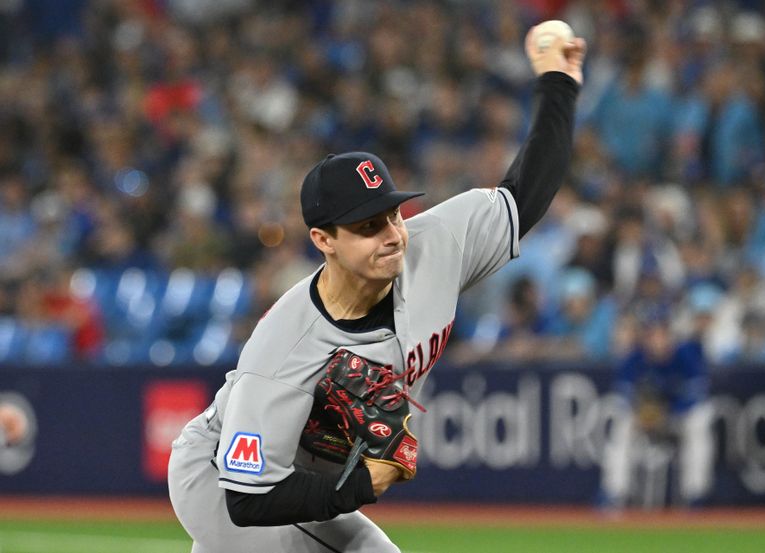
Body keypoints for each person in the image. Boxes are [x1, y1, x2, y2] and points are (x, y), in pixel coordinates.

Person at [168, 26, 585, 553]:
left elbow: (525, 194)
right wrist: (365, 482)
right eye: (367, 227)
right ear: (324, 240)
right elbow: (250, 499)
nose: (391, 235)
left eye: (392, 214)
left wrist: (559, 83)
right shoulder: (283, 348)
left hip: (305, 480)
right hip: (222, 480)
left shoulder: (431, 246)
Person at [600, 306, 713, 509]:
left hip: (675, 419)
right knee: (620, 423)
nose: (658, 339)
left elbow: (697, 393)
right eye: (652, 333)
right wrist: (640, 415)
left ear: (670, 334)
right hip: (642, 421)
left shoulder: (685, 355)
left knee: (700, 420)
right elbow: (621, 394)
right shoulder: (634, 358)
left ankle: (695, 494)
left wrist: (668, 414)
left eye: (662, 332)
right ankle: (615, 493)